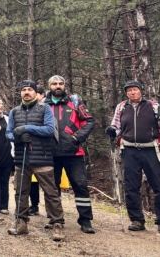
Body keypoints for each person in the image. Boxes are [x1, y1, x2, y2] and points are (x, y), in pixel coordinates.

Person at [106, 80, 160, 234]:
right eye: (129, 90)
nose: (132, 93)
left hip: (150, 149)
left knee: (159, 186)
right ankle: (137, 220)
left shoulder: (153, 105)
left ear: (141, 91)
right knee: (131, 186)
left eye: (135, 89)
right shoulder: (122, 106)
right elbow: (116, 126)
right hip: (129, 150)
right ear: (126, 93)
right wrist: (112, 131)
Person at [7, 80, 64, 241]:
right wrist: (18, 139)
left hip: (43, 158)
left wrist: (26, 129)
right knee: (20, 192)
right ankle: (21, 222)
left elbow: (49, 129)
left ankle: (57, 223)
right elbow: (9, 133)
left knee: (51, 192)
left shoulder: (44, 108)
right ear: (20, 93)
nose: (26, 92)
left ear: (35, 93)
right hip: (21, 158)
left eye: (29, 90)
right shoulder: (14, 111)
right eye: (23, 90)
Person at [45, 75, 96, 233]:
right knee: (52, 188)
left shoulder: (74, 102)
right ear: (49, 86)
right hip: (50, 152)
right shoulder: (42, 104)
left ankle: (85, 220)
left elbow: (89, 120)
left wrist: (78, 137)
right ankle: (55, 219)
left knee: (80, 186)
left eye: (61, 83)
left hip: (74, 152)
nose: (58, 86)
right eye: (54, 84)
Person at [28, 86, 45, 216]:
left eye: (39, 93)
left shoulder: (45, 108)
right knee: (32, 182)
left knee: (49, 183)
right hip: (30, 152)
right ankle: (34, 205)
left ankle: (54, 212)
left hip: (44, 151)